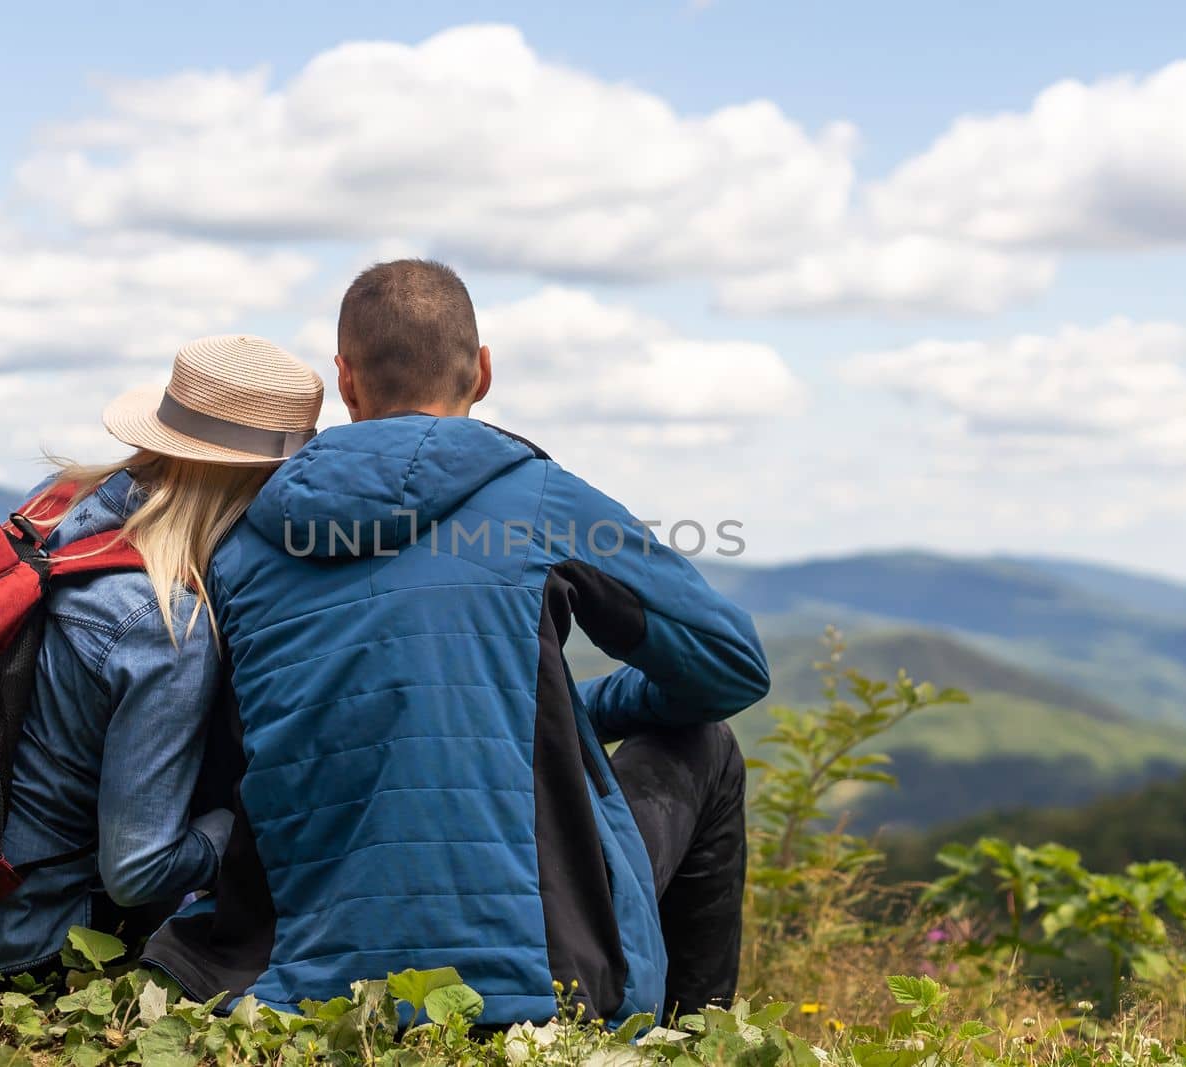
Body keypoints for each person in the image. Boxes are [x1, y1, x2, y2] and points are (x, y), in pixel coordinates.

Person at [143, 261, 769, 1025]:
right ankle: (695, 1038)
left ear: (345, 381)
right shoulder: (539, 500)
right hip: (547, 980)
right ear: (484, 370)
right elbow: (731, 665)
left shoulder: (244, 545)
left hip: (315, 987)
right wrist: (599, 709)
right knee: (707, 742)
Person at [0, 335, 324, 980]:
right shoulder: (165, 624)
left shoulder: (56, 507)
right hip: (19, 939)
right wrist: (238, 828)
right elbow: (139, 873)